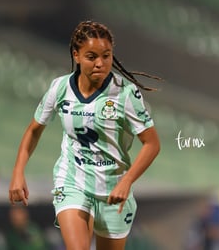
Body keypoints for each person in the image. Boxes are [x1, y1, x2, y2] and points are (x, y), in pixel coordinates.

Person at [9, 20, 161, 250]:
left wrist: (127, 181)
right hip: (72, 181)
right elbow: (33, 130)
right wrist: (18, 172)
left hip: (113, 189)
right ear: (76, 55)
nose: (100, 63)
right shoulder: (60, 88)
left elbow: (152, 144)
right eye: (92, 56)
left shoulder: (126, 94)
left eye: (106, 56)